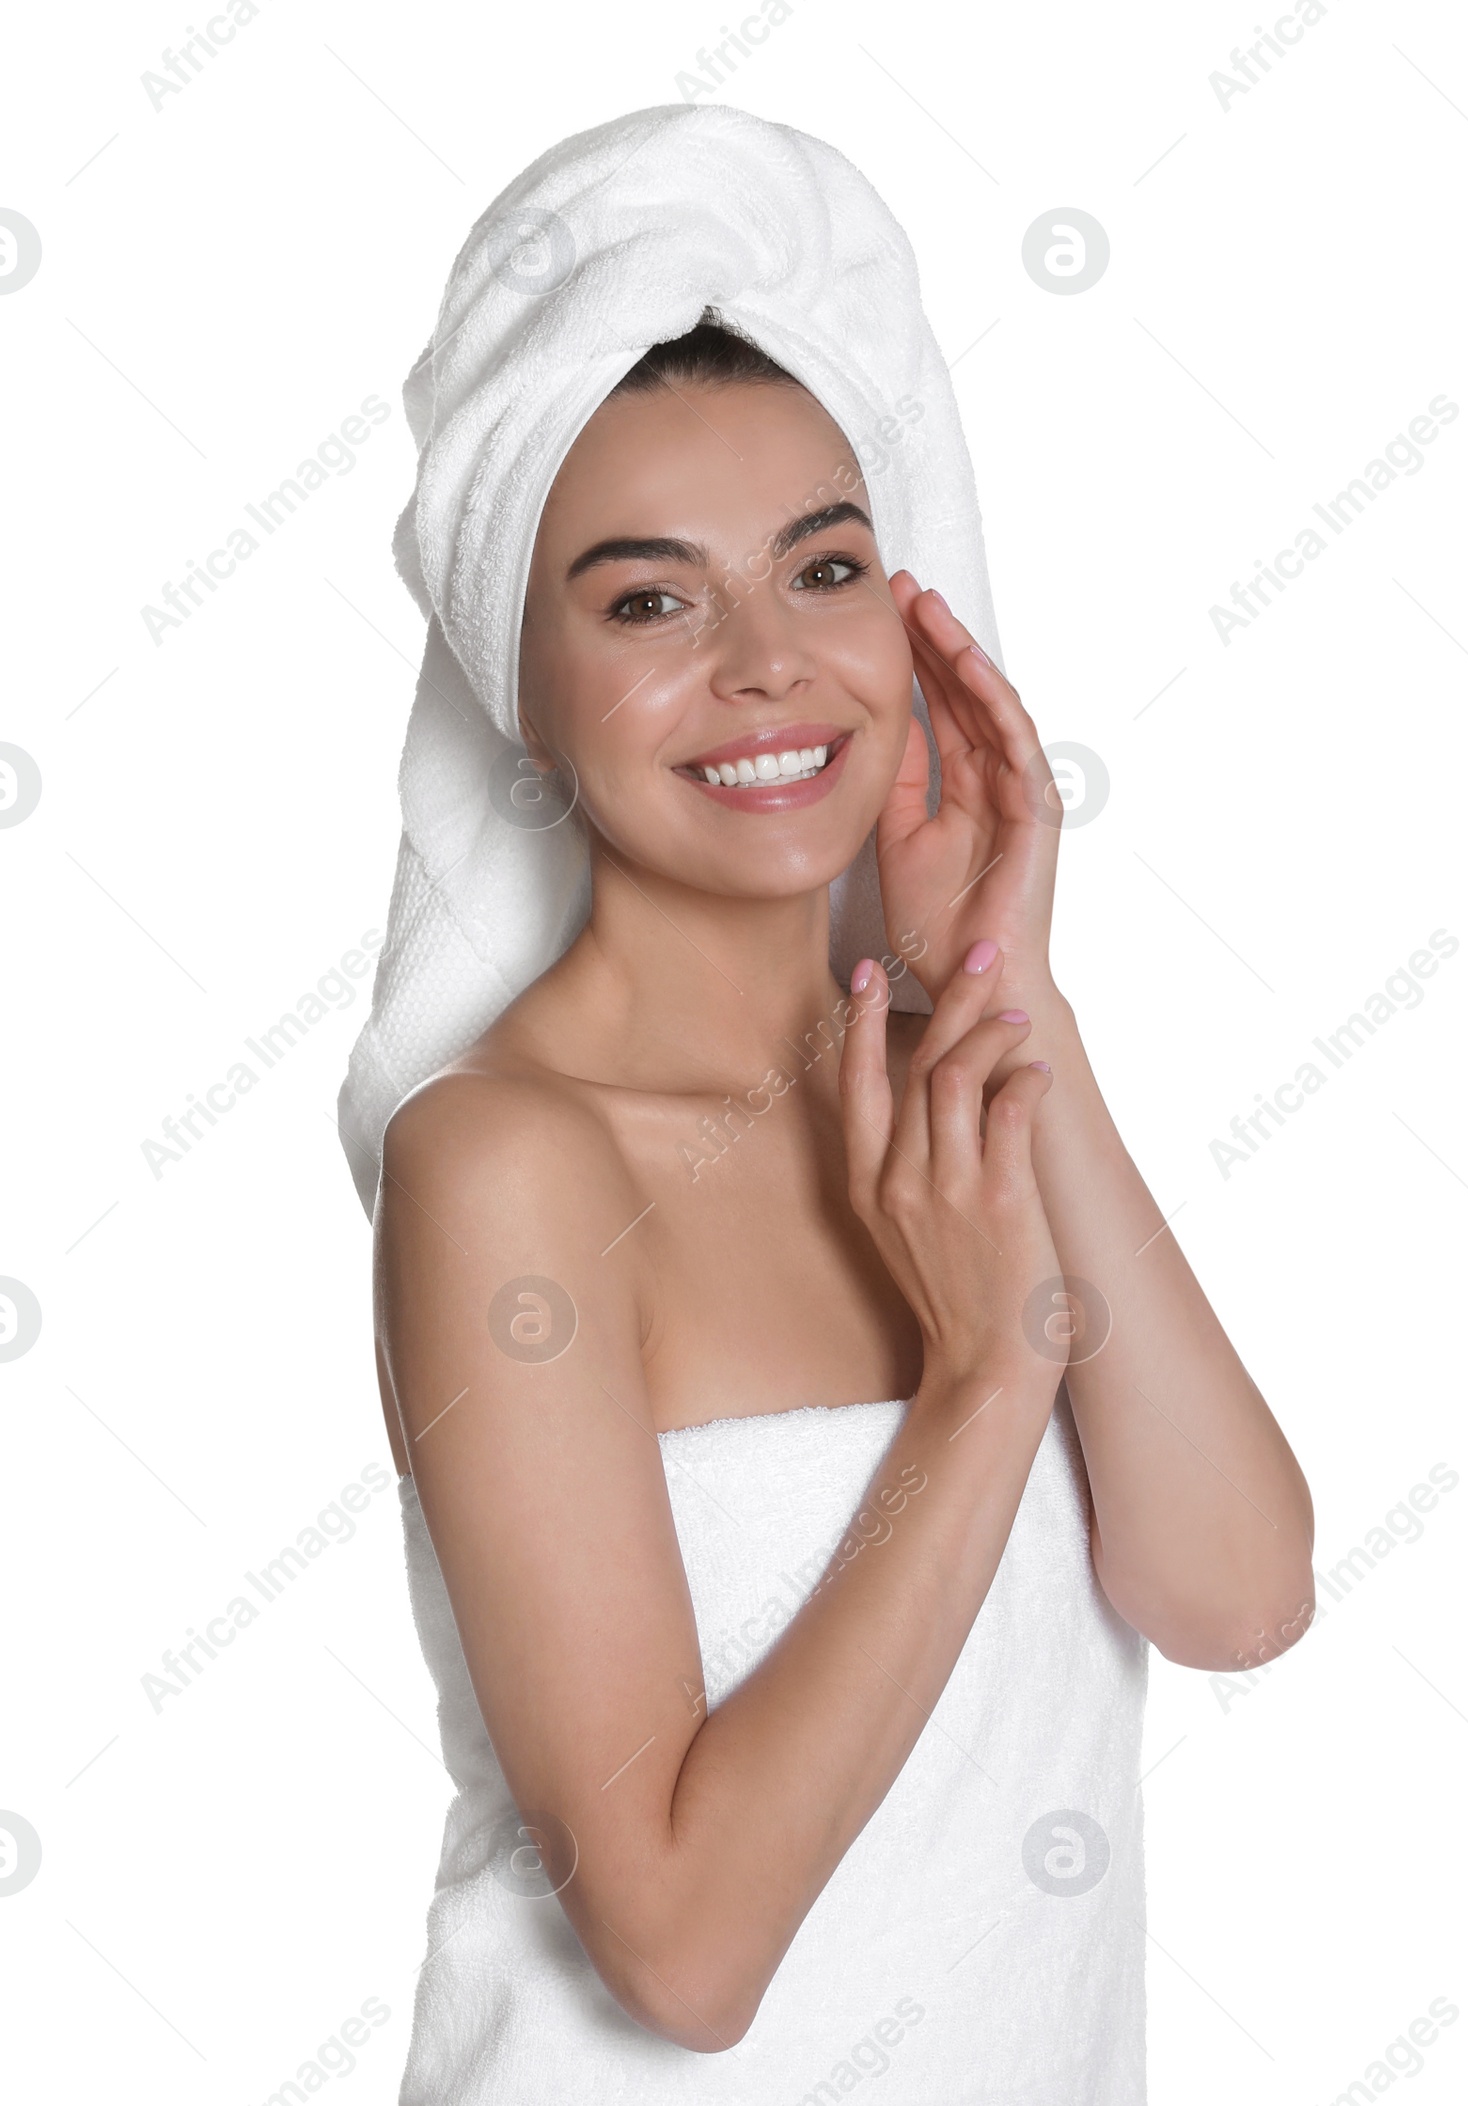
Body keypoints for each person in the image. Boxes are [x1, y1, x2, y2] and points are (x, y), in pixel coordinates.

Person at [340, 105, 1314, 2105]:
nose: (768, 666)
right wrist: (979, 1383)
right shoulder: (509, 1163)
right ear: (517, 669)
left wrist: (1002, 992)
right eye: (647, 601)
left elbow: (1231, 1593)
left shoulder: (955, 1085)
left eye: (825, 566)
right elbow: (682, 1952)